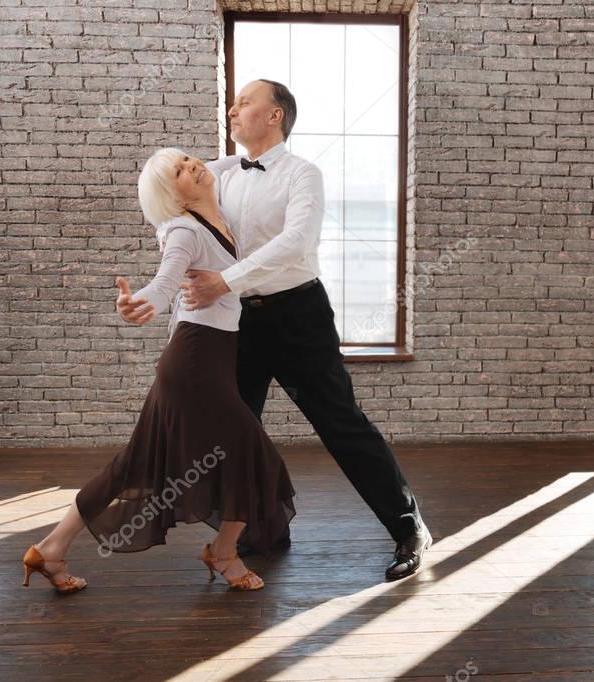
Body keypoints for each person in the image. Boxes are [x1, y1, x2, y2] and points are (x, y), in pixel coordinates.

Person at [181, 79, 432, 581]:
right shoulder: (220, 173)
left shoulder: (304, 175)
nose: (233, 110)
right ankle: (254, 531)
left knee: (341, 423)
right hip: (238, 319)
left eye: (245, 102)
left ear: (275, 116)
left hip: (298, 316)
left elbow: (296, 242)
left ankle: (410, 529)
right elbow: (177, 213)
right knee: (236, 430)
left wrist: (223, 280)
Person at [21, 149, 295, 594]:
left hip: (212, 358)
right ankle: (224, 554)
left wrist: (252, 143)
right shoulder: (185, 230)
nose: (193, 166)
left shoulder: (213, 208)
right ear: (175, 195)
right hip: (195, 363)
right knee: (254, 453)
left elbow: (229, 163)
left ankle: (50, 549)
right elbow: (166, 281)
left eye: (188, 159)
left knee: (133, 465)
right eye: (180, 171)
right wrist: (141, 301)